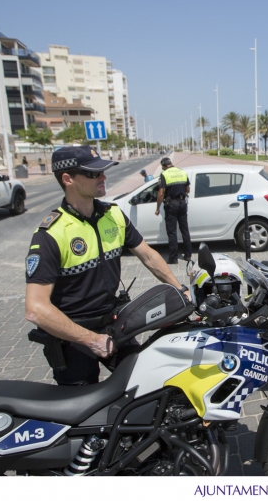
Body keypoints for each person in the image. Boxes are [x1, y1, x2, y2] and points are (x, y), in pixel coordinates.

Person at [24, 146, 188, 386]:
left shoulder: (113, 214)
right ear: (68, 179)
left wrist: (180, 290)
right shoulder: (50, 234)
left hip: (113, 323)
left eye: (103, 172)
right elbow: (35, 309)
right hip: (72, 336)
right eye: (93, 174)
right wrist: (91, 340)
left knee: (146, 383)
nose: (103, 177)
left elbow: (149, 256)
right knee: (82, 407)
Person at [155, 157, 192, 264]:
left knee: (172, 232)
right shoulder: (182, 172)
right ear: (171, 163)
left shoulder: (165, 174)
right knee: (184, 229)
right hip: (182, 203)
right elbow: (188, 190)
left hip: (171, 204)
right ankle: (188, 255)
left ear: (163, 166)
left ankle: (173, 258)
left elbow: (161, 193)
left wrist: (157, 208)